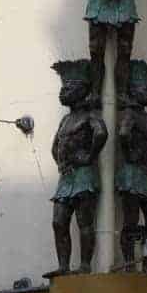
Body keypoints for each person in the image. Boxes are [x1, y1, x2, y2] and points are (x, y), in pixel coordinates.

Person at [50, 60, 108, 274]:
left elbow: (101, 133)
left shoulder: (90, 115)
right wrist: (61, 163)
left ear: (82, 91)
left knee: (84, 221)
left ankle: (85, 265)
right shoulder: (66, 119)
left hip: (84, 175)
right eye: (64, 86)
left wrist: (89, 156)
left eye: (69, 87)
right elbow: (55, 145)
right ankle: (63, 266)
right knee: (58, 221)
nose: (63, 91)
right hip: (67, 177)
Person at [117, 60, 147, 273]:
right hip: (132, 175)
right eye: (146, 89)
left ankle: (146, 262)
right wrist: (130, 153)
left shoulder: (144, 116)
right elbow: (123, 133)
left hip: (146, 175)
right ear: (135, 91)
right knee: (131, 222)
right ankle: (129, 263)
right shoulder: (131, 114)